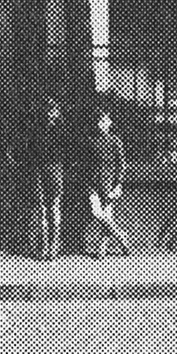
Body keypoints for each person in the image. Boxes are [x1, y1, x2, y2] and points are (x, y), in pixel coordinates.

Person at [12, 92, 67, 261]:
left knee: (45, 208)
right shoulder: (57, 129)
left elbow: (26, 150)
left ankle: (49, 247)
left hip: (47, 169)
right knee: (46, 208)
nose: (49, 114)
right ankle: (48, 246)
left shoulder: (44, 129)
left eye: (51, 111)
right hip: (46, 170)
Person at [77, 102, 131, 258]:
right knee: (97, 213)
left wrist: (118, 184)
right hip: (92, 183)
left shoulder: (115, 141)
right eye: (99, 121)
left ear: (110, 123)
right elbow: (85, 163)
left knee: (107, 216)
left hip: (109, 183)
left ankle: (101, 250)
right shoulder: (90, 141)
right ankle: (121, 236)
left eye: (105, 121)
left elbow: (121, 164)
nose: (102, 124)